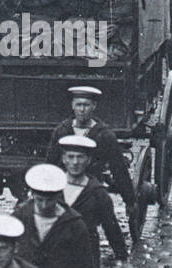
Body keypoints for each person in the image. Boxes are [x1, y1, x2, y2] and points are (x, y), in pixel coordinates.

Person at [44, 84, 137, 229]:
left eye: (86, 105)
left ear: (94, 106)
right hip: (66, 186)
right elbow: (51, 163)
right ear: (72, 106)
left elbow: (118, 168)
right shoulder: (62, 130)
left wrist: (129, 200)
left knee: (100, 221)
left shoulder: (104, 135)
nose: (82, 110)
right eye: (78, 105)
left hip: (90, 188)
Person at [53, 135, 130, 268]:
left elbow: (110, 226)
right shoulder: (52, 189)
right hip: (56, 256)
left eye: (80, 157)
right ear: (63, 159)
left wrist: (123, 258)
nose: (75, 162)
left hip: (86, 257)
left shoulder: (97, 193)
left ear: (88, 160)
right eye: (70, 157)